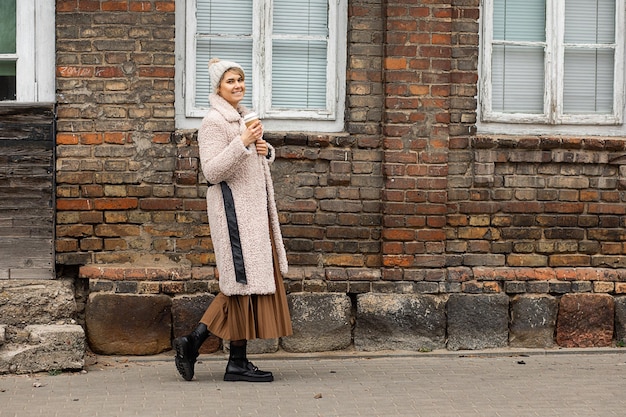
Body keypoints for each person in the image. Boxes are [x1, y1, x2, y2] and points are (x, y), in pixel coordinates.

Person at [173, 58, 292, 382]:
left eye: (240, 79)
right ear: (217, 88)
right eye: (230, 81)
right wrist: (242, 142)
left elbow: (249, 162)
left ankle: (217, 353)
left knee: (244, 285)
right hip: (233, 213)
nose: (238, 85)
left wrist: (264, 151)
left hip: (251, 213)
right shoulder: (214, 122)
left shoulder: (242, 117)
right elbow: (211, 170)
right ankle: (207, 349)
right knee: (239, 283)